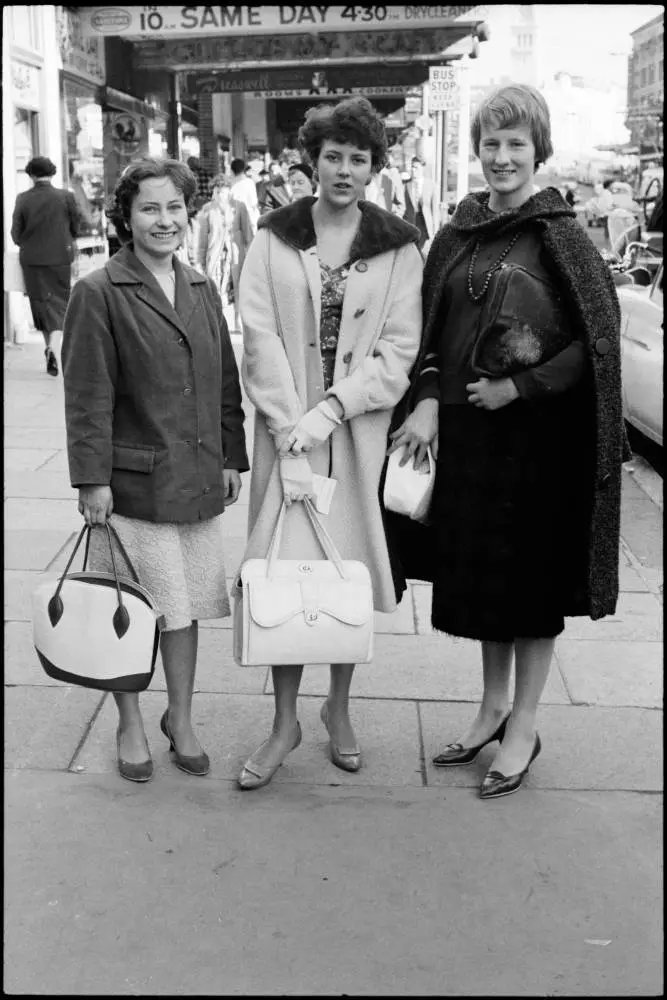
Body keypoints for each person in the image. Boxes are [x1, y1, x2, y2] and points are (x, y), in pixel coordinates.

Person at [388, 83, 626, 800]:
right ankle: (491, 708)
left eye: (515, 143)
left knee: (529, 585)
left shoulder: (560, 234)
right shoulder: (454, 234)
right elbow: (424, 333)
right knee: (484, 581)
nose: (501, 157)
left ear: (536, 150)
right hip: (465, 437)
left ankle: (523, 723)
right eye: (490, 143)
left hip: (536, 443)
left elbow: (597, 346)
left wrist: (518, 389)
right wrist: (427, 400)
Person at [237, 96, 423, 790]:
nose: (344, 169)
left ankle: (337, 708)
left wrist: (330, 412)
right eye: (332, 155)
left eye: (358, 157)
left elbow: (399, 349)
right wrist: (290, 424)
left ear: (375, 166)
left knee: (343, 571)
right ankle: (284, 719)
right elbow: (256, 332)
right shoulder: (272, 236)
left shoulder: (398, 245)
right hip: (286, 436)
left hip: (353, 438)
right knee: (287, 572)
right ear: (311, 160)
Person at [61, 156, 249, 783]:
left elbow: (225, 381)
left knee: (185, 606)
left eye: (174, 207)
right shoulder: (97, 291)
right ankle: (131, 721)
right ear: (127, 216)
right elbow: (87, 395)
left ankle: (183, 717)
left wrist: (231, 454)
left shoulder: (200, 287)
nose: (165, 220)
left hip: (194, 478)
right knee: (135, 608)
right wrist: (91, 481)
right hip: (133, 486)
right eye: (150, 208)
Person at [11, 156, 81, 376]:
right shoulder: (66, 197)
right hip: (60, 256)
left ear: (31, 175)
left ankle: (47, 347)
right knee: (60, 302)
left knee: (40, 303)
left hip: (32, 260)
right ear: (52, 173)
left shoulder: (23, 199)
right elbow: (76, 226)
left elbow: (15, 234)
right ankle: (54, 347)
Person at [403, 155, 438, 253]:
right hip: (410, 225)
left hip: (425, 226)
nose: (413, 170)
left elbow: (435, 210)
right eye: (412, 167)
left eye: (416, 167)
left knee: (424, 255)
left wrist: (435, 231)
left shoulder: (431, 185)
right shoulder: (406, 185)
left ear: (422, 168)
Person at [230, 157, 259, 233]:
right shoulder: (249, 183)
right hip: (250, 222)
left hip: (236, 224)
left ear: (232, 171)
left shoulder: (231, 187)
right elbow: (254, 204)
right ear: (243, 169)